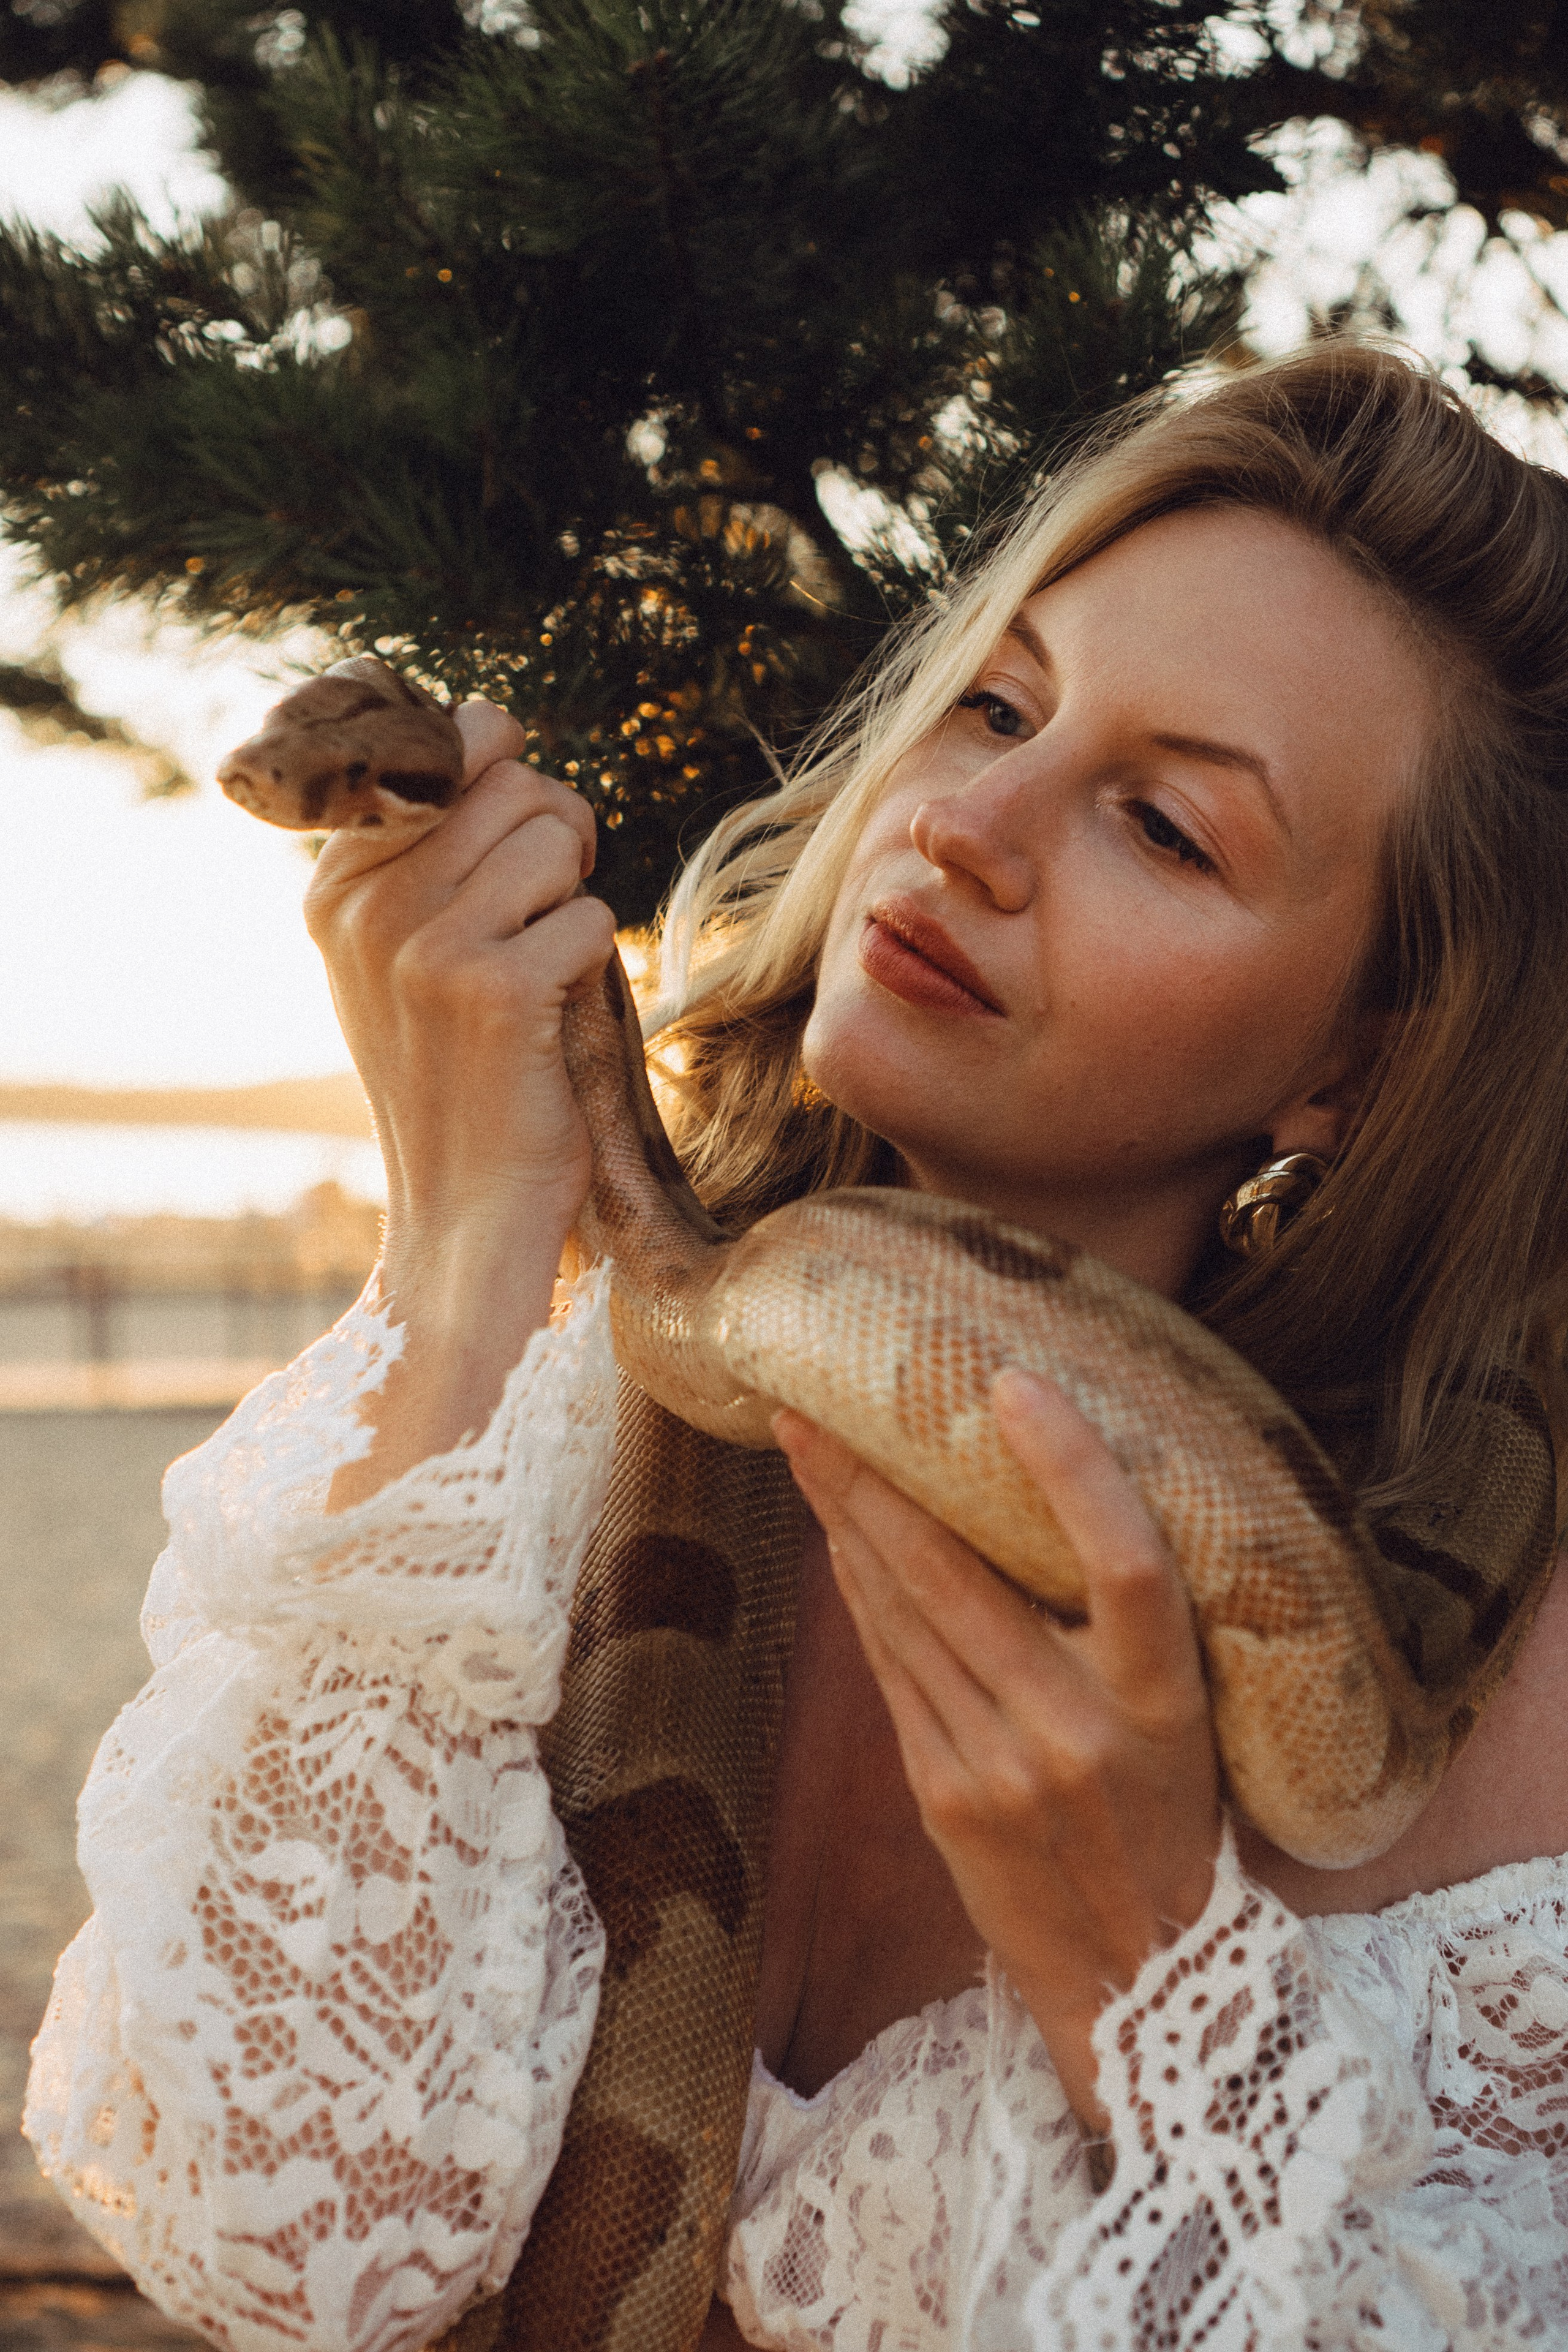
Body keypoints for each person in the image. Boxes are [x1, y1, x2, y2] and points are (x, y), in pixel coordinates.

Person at [24, 342, 1568, 2352]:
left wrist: (1156, 1982)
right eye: (995, 705)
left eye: (1166, 828)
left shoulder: (1499, 1678)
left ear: (1358, 1061)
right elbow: (289, 2244)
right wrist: (467, 1246)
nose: (969, 822)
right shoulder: (533, 1446)